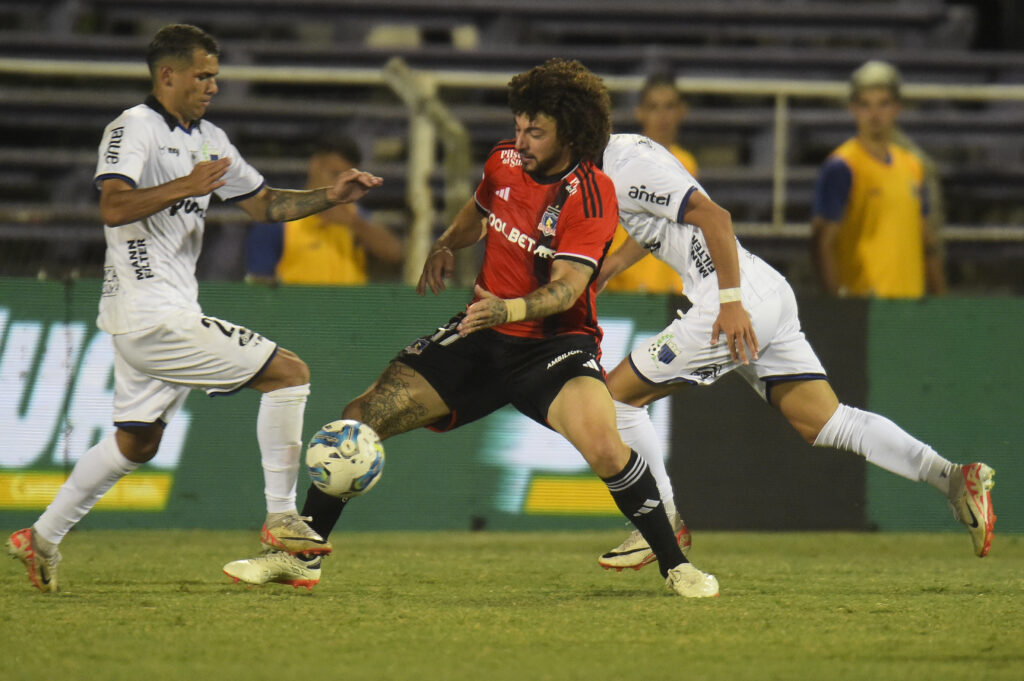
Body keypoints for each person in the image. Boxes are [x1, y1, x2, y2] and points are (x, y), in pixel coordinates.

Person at [223, 58, 718, 599]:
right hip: (480, 338)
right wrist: (445, 244)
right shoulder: (504, 161)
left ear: (571, 134)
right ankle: (300, 559)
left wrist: (506, 309)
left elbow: (569, 288)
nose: (521, 139)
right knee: (360, 418)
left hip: (553, 349)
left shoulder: (592, 195)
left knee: (605, 448)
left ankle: (676, 565)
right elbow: (480, 208)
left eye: (537, 130)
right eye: (519, 125)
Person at [5, 24, 382, 593]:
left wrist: (331, 196)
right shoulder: (134, 126)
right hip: (150, 311)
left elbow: (265, 204)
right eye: (202, 75)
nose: (211, 85)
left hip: (165, 308)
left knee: (137, 441)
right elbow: (112, 206)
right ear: (168, 75)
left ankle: (41, 539)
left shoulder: (212, 139)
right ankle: (283, 517)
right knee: (289, 374)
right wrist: (185, 184)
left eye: (215, 76)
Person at [591, 132, 994, 570]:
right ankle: (952, 478)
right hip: (764, 288)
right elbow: (666, 217)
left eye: (536, 131)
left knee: (616, 397)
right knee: (827, 421)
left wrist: (729, 302)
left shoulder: (622, 169)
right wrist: (613, 264)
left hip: (729, 298)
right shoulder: (633, 147)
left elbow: (715, 218)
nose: (527, 143)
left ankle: (662, 526)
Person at [812, 60, 946, 298]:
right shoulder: (842, 166)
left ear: (897, 107)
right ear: (853, 108)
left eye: (883, 104)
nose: (875, 115)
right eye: (865, 105)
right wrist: (836, 304)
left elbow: (927, 241)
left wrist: (940, 299)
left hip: (910, 304)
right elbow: (823, 241)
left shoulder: (913, 166)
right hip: (863, 305)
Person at [245, 133, 403, 285]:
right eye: (334, 175)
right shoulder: (280, 219)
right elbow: (259, 283)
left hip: (349, 310)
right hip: (298, 310)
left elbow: (395, 254)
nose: (341, 186)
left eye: (350, 180)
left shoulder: (355, 215)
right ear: (315, 165)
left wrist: (354, 223)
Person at [604, 73, 693, 294]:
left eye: (669, 107)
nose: (662, 116)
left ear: (682, 111)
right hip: (622, 287)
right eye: (654, 107)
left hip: (669, 292)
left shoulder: (687, 163)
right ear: (640, 112)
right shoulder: (622, 158)